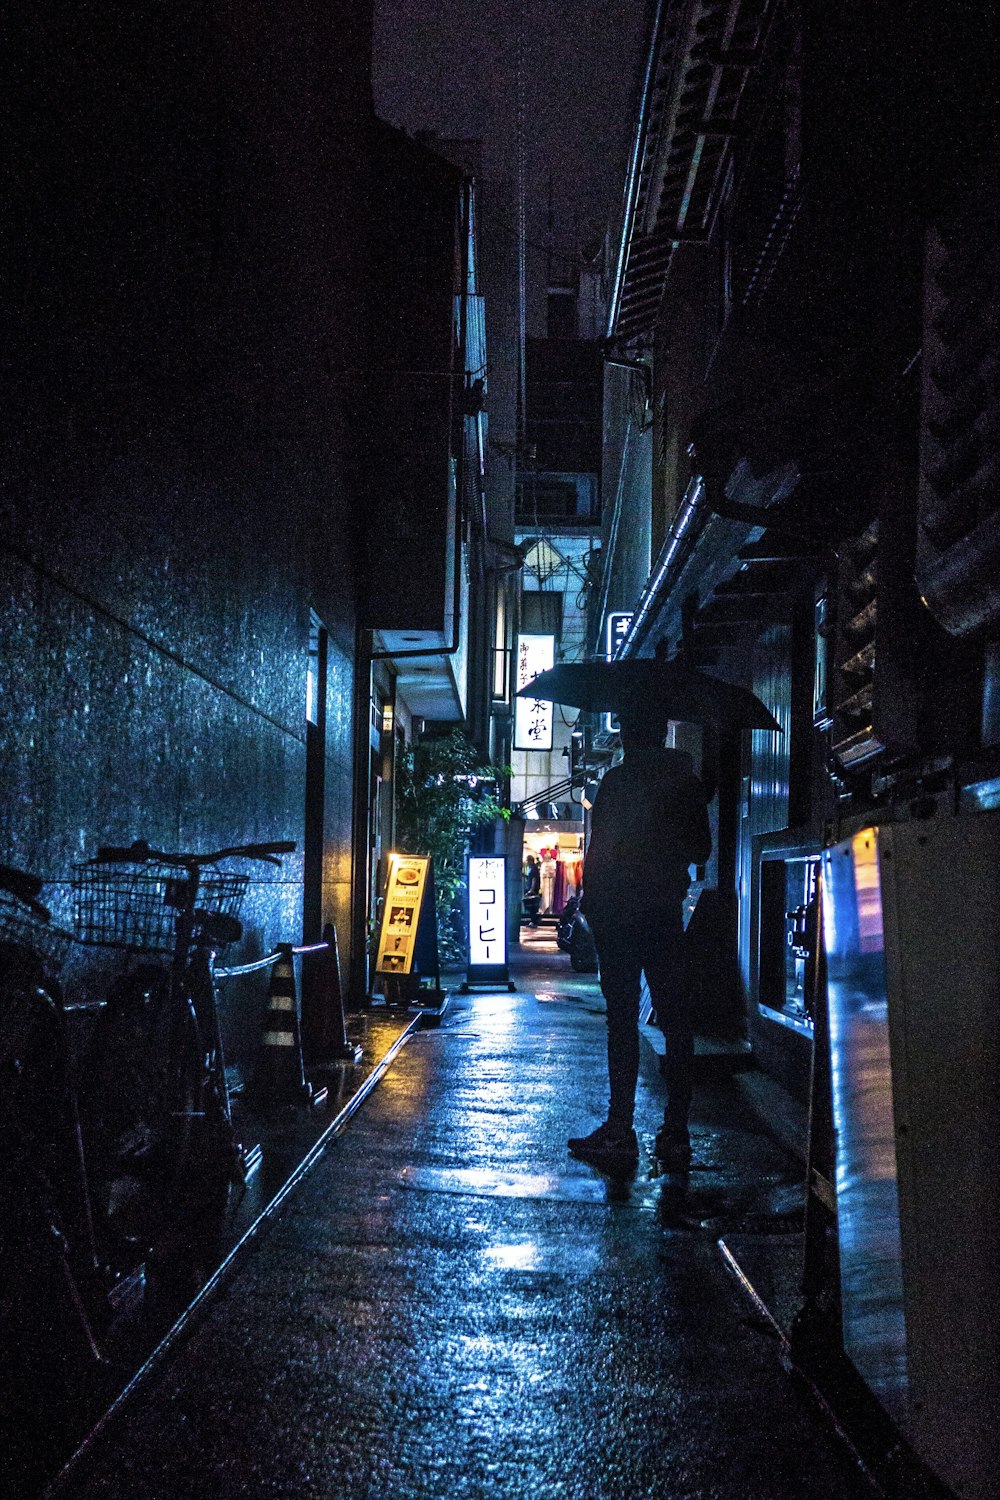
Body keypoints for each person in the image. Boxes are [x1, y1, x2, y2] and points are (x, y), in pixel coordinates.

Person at [568, 706, 711, 1171]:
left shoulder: (618, 782)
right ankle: (677, 1131)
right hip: (664, 914)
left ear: (629, 735)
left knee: (623, 1021)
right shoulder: (686, 783)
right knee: (676, 1020)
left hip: (621, 917)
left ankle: (620, 1127)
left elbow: (602, 850)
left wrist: (592, 905)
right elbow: (701, 850)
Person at [522, 853, 542, 927]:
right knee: (532, 907)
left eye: (528, 861)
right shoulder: (532, 868)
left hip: (532, 889)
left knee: (532, 906)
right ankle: (533, 920)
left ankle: (534, 921)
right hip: (531, 888)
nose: (527, 863)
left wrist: (531, 889)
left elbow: (534, 879)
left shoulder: (534, 868)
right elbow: (530, 878)